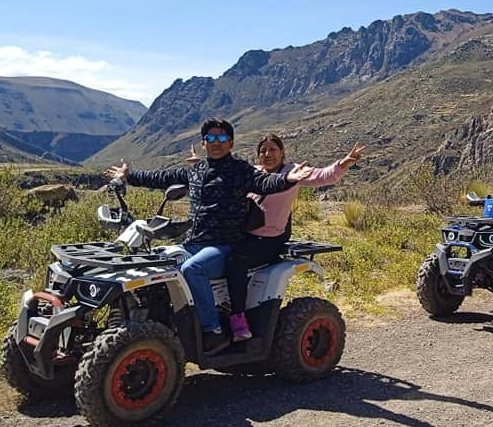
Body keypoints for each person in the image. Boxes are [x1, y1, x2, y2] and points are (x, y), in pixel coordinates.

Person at [104, 118, 313, 355]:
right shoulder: (195, 171)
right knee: (155, 261)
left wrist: (287, 179)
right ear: (204, 143)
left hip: (223, 246)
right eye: (211, 138)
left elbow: (264, 181)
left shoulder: (240, 170)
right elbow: (161, 177)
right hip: (193, 243)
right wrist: (129, 176)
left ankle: (213, 330)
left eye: (222, 138)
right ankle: (159, 323)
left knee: (193, 269)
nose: (216, 143)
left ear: (231, 143)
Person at [225, 135, 365, 342]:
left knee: (234, 263)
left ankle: (238, 320)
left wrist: (344, 163)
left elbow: (322, 176)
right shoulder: (254, 173)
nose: (267, 154)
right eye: (263, 150)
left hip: (269, 239)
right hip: (244, 235)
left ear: (282, 153)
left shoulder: (293, 172)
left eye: (273, 149)